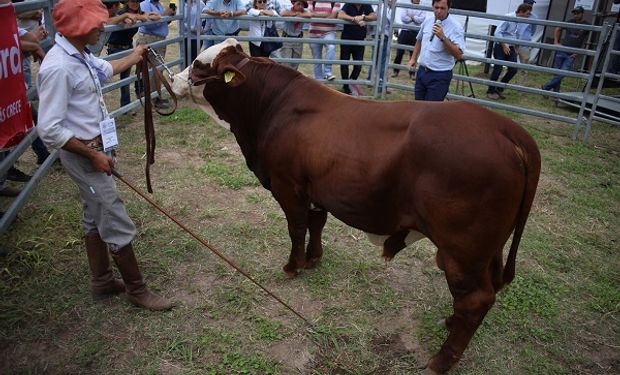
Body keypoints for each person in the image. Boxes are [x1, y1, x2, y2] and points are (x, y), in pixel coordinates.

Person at [36, 0, 173, 311]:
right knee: (112, 213)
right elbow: (50, 130)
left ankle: (102, 280)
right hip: (85, 154)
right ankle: (137, 290)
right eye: (96, 23)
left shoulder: (81, 54)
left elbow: (106, 69)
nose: (102, 26)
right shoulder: (58, 67)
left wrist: (136, 55)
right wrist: (93, 156)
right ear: (78, 28)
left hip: (97, 146)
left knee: (93, 213)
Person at [406, 0, 465, 101]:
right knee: (418, 107)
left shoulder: (455, 27)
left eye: (442, 8)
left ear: (448, 8)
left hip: (439, 75)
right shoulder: (427, 21)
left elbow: (458, 54)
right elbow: (419, 40)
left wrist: (443, 38)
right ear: (432, 6)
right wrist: (413, 58)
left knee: (431, 111)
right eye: (436, 7)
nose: (438, 11)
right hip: (422, 71)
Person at [107, 0, 160, 108]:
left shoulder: (139, 13)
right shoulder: (121, 13)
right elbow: (127, 21)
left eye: (137, 1)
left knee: (125, 79)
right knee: (107, 77)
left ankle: (125, 106)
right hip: (115, 48)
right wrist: (139, 17)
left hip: (127, 47)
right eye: (132, 1)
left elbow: (157, 16)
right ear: (127, 2)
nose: (135, 3)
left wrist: (145, 16)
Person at [486, 3, 532, 100]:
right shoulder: (508, 17)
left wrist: (516, 46)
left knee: (513, 69)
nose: (529, 16)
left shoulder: (522, 21)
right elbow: (498, 32)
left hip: (511, 47)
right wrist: (503, 44)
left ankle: (499, 89)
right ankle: (490, 91)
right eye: (527, 14)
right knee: (498, 68)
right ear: (521, 12)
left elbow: (517, 34)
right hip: (501, 45)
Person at [135, 0, 176, 109]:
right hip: (150, 39)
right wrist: (164, 15)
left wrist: (169, 16)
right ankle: (155, 98)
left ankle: (155, 96)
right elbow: (148, 24)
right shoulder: (144, 5)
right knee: (154, 70)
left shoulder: (158, 5)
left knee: (157, 69)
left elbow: (161, 22)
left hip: (158, 40)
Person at [541, 6, 590, 95]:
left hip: (572, 54)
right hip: (562, 50)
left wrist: (578, 52)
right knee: (558, 74)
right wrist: (556, 42)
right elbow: (558, 29)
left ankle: (545, 88)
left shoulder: (587, 25)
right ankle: (555, 94)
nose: (576, 15)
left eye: (578, 13)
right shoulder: (570, 22)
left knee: (562, 74)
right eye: (574, 13)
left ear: (583, 13)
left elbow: (585, 40)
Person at [338, 2, 377, 95]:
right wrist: (353, 19)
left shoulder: (366, 4)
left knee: (358, 65)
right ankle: (346, 86)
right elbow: (340, 14)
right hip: (346, 39)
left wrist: (363, 17)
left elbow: (374, 16)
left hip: (360, 40)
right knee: (344, 63)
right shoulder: (348, 4)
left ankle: (351, 83)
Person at [392, 0, 426, 79]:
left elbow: (421, 20)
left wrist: (412, 17)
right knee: (399, 52)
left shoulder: (422, 8)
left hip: (415, 32)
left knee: (413, 54)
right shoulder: (406, 5)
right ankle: (395, 71)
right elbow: (403, 18)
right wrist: (415, 19)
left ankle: (412, 73)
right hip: (405, 31)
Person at [308, 1, 340, 81]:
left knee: (331, 47)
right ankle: (319, 81)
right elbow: (309, 14)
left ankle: (327, 73)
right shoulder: (311, 1)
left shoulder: (335, 2)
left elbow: (332, 16)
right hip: (313, 33)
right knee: (316, 58)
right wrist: (326, 15)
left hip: (329, 32)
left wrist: (316, 16)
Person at [280, 0, 312, 70]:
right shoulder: (288, 10)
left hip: (298, 39)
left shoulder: (304, 11)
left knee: (295, 63)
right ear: (293, 3)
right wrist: (294, 14)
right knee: (286, 63)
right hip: (287, 38)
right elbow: (282, 13)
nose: (301, 6)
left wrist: (299, 14)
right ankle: (284, 80)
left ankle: (291, 80)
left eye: (302, 5)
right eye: (298, 4)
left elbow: (310, 15)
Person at [516, 0, 538, 82]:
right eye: (529, 3)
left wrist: (527, 37)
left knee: (524, 67)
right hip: (514, 42)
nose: (530, 5)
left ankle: (521, 86)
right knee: (508, 64)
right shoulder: (516, 14)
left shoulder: (534, 17)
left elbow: (533, 30)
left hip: (525, 44)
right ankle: (501, 82)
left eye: (531, 4)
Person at [184, 0, 207, 65]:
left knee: (195, 61)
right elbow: (180, 22)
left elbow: (206, 17)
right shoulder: (181, 4)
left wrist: (204, 29)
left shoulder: (200, 3)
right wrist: (192, 29)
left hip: (197, 37)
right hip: (185, 37)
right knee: (186, 61)